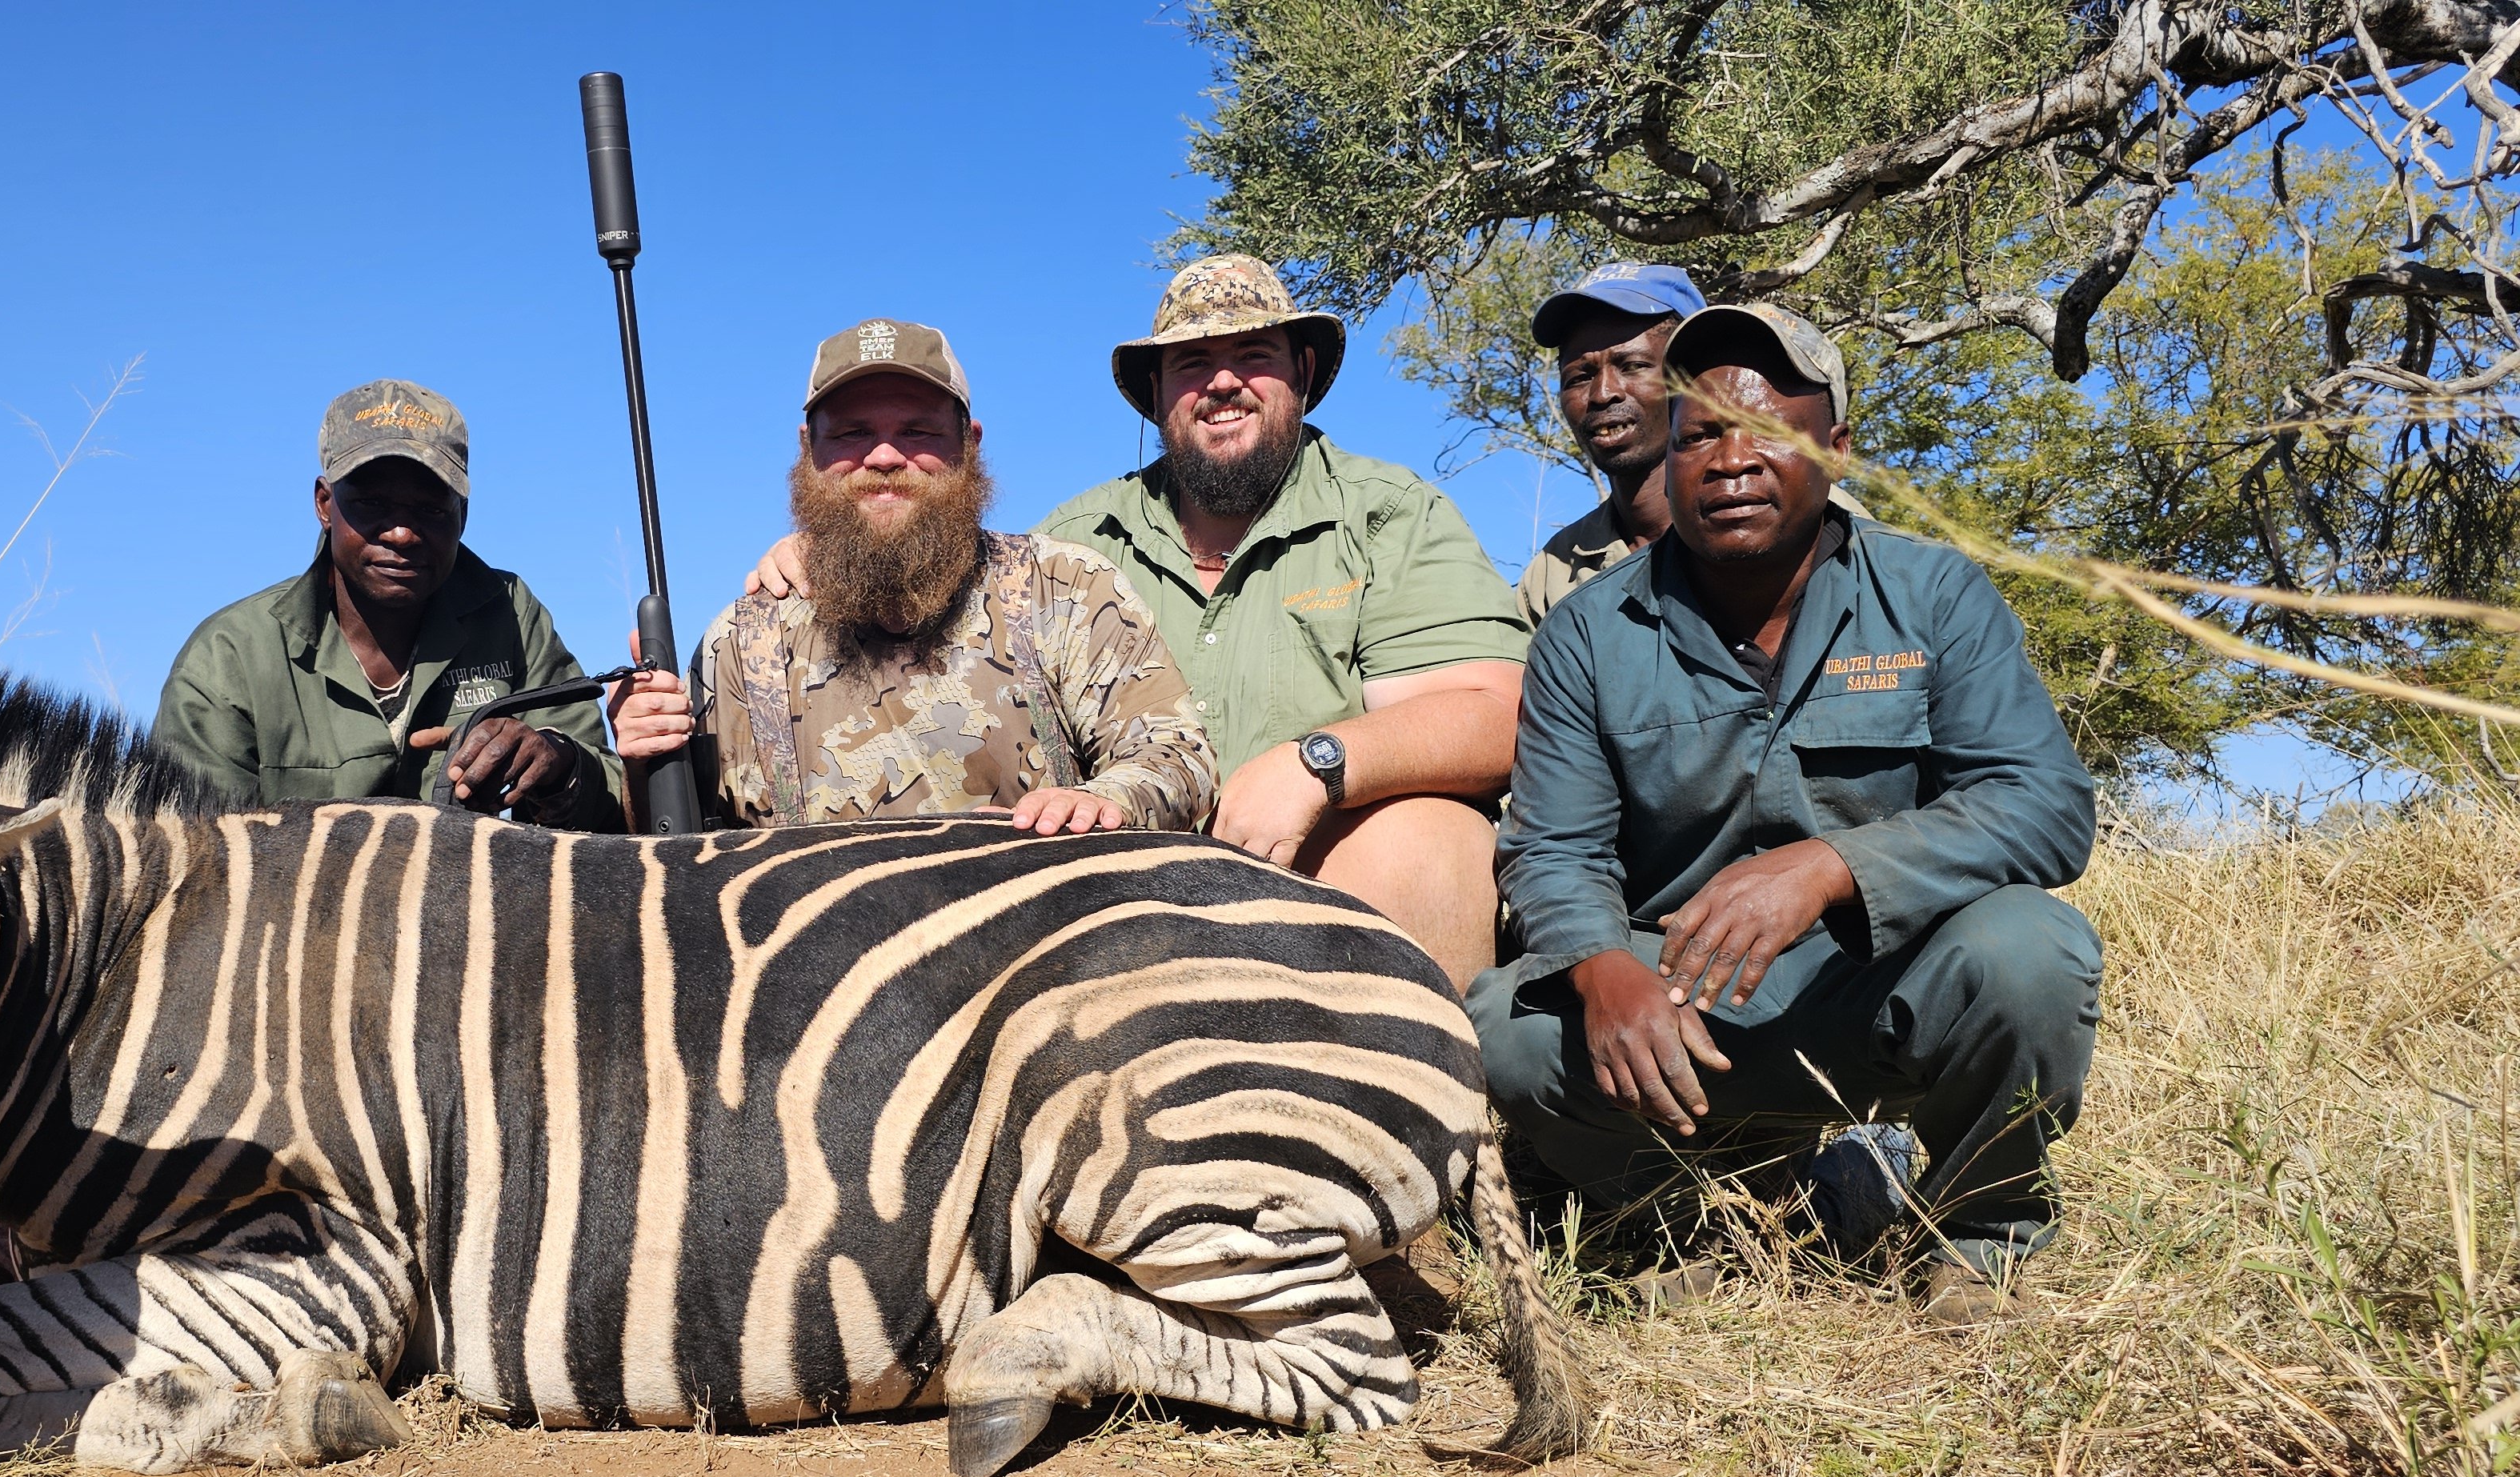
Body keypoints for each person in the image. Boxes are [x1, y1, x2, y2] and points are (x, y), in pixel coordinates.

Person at [1468, 302, 2102, 1323]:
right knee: (1506, 1027)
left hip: (1883, 984)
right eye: (1698, 434)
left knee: (2032, 950)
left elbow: (2042, 804)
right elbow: (1551, 848)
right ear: (1667, 464)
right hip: (1683, 1003)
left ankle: (1980, 1236)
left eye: (1765, 428)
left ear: (1836, 449)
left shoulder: (1935, 592)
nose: (1728, 460)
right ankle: (1672, 1231)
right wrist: (1601, 968)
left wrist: (1828, 867)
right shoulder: (1587, 631)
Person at [742, 258, 1524, 981]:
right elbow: (934, 575)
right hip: (1118, 900)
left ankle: (1414, 1110)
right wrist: (845, 541)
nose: (1223, 382)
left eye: (1254, 354)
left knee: (1430, 837)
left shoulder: (1390, 515)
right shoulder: (1075, 542)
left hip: (1317, 881)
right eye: (1190, 363)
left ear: (1303, 372)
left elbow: (1493, 713)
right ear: (1155, 395)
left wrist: (1312, 764)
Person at [609, 318, 1213, 835]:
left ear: (969, 445)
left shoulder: (1064, 587)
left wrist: (1106, 801)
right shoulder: (742, 641)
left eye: (917, 431)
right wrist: (644, 759)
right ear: (808, 453)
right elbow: (678, 846)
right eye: (852, 433)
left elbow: (1177, 755)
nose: (883, 457)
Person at [156, 379, 622, 827]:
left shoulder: (512, 614)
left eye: (431, 509)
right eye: (372, 504)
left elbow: (613, 793)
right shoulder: (229, 656)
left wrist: (560, 767)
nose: (401, 534)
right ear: (324, 504)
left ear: (463, 514)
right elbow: (197, 857)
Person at [1517, 263, 1705, 622]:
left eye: (1633, 365)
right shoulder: (1551, 575)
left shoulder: (1796, 522)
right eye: (1580, 376)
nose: (1603, 394)